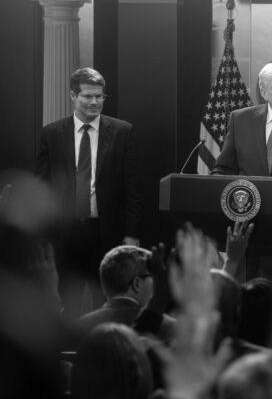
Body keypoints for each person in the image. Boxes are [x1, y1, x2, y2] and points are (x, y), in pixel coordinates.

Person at [35, 67, 142, 318]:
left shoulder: (122, 132)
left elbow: (133, 190)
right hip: (64, 235)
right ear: (73, 95)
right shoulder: (51, 134)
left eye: (99, 96)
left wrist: (132, 236)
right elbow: (42, 188)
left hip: (106, 235)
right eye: (87, 96)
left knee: (106, 308)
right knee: (64, 310)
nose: (94, 102)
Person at [75, 245, 175, 345]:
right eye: (155, 277)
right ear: (137, 283)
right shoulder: (172, 329)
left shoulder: (78, 328)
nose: (157, 283)